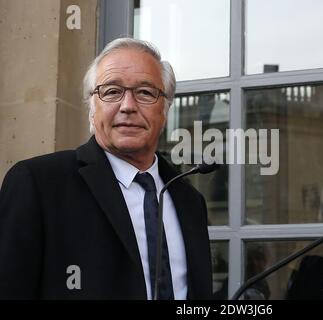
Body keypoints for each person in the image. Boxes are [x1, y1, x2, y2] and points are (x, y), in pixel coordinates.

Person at [0, 38, 212, 299]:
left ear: (165, 110)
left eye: (145, 93)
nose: (128, 106)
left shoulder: (190, 200)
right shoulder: (38, 184)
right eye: (112, 92)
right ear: (92, 110)